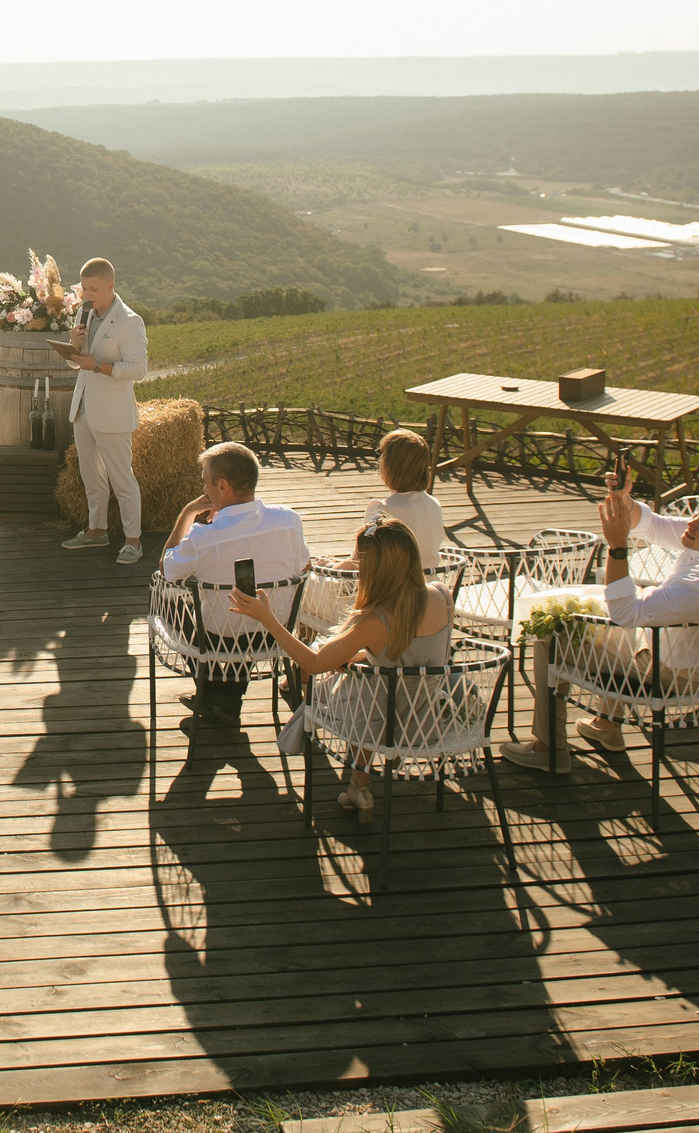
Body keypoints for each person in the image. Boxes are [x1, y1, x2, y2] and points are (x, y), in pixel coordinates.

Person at [504, 474, 699, 770]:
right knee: (611, 619)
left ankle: (548, 749)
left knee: (554, 634)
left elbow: (626, 613)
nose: (690, 524)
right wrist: (623, 499)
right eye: (696, 514)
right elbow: (655, 525)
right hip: (697, 657)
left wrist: (617, 545)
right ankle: (606, 726)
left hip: (673, 676)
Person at [232, 518, 454, 820]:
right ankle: (356, 786)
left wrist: (268, 620)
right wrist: (362, 656)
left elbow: (312, 663)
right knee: (364, 681)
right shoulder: (441, 594)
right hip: (428, 715)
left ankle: (358, 786)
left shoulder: (376, 620)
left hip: (385, 718)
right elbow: (411, 653)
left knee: (338, 689)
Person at [155, 442, 310, 731]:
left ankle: (213, 694)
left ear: (222, 486)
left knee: (168, 602)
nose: (204, 492)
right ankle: (227, 700)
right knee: (245, 611)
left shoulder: (204, 537)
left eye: (205, 484)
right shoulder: (289, 520)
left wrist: (187, 513)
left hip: (217, 638)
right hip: (274, 632)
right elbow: (303, 567)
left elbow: (166, 568)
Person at [57, 257, 150, 564]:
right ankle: (97, 530)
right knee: (90, 475)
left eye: (93, 289)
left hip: (112, 412)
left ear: (111, 286)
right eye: (83, 288)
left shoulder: (129, 321)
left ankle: (133, 541)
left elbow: (139, 369)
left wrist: (97, 365)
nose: (86, 295)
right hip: (83, 408)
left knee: (122, 478)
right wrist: (72, 346)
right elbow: (79, 362)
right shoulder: (84, 314)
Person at [361, 429, 445, 572]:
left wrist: (330, 565)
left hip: (396, 591)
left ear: (390, 466)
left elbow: (361, 562)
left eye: (382, 456)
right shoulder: (434, 504)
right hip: (430, 586)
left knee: (317, 580)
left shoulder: (381, 509)